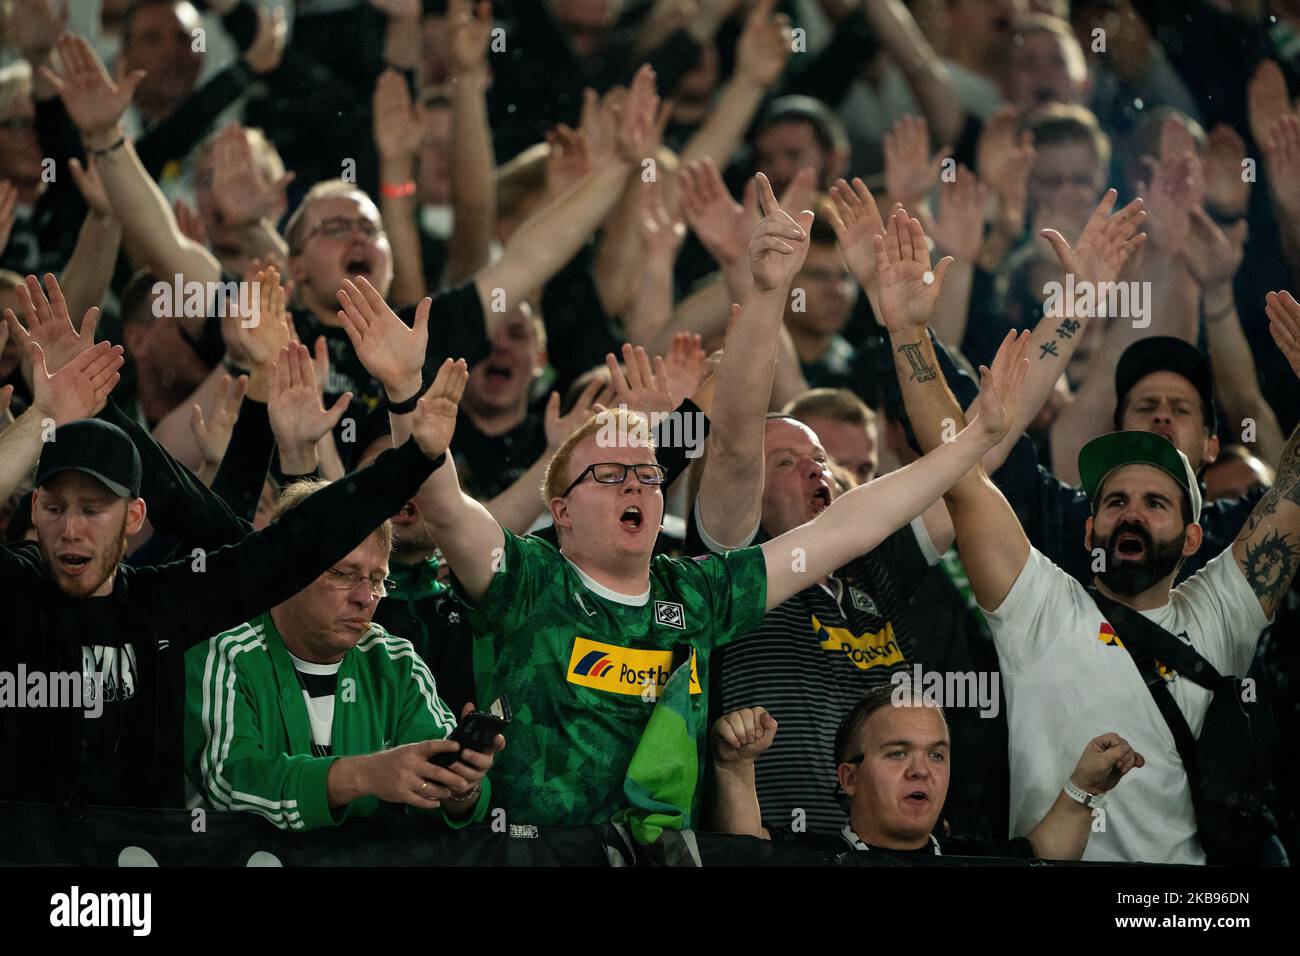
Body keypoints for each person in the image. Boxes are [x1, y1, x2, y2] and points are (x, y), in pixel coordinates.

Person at [329, 169, 1031, 827]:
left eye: (646, 474)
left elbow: (847, 525)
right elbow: (444, 501)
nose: (636, 482)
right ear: (561, 512)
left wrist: (972, 441)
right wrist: (401, 392)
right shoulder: (524, 577)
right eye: (610, 476)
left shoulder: (698, 593)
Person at [885, 249, 1300, 860]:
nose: (1132, 513)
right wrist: (907, 330)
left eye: (1156, 503)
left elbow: (1291, 495)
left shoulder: (1220, 610)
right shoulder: (1040, 605)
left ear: (1193, 538)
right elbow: (961, 476)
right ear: (1088, 532)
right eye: (1116, 502)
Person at [0, 274, 465, 808]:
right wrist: (42, 416)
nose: (71, 529)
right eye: (55, 509)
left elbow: (287, 547)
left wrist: (413, 457)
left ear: (133, 517)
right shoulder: (14, 589)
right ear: (33, 510)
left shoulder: (168, 604)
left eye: (93, 508)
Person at [185, 479, 503, 831]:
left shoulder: (397, 662)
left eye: (378, 579)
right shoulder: (225, 649)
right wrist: (365, 775)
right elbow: (232, 786)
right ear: (283, 568)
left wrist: (459, 787)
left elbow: (449, 805)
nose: (366, 598)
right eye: (343, 573)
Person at [710, 687, 1144, 860]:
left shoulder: (970, 858)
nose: (922, 771)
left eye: (937, 755)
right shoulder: (809, 856)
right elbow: (742, 854)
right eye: (898, 754)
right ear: (850, 778)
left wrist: (1086, 786)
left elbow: (1044, 853)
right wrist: (735, 766)